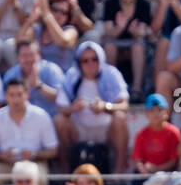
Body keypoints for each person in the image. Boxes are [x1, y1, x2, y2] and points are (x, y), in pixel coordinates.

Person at [54, 39, 129, 172]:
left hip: (105, 129)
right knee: (60, 120)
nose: (90, 64)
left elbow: (124, 105)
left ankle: (118, 172)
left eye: (94, 59)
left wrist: (105, 106)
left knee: (120, 118)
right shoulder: (71, 76)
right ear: (79, 62)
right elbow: (61, 107)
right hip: (79, 128)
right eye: (85, 60)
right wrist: (74, 108)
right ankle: (64, 171)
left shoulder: (111, 73)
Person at [0, 75, 57, 185]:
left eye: (19, 94)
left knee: (40, 177)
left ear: (27, 94)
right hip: (5, 164)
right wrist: (1, 156)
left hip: (34, 163)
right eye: (12, 95)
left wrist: (34, 154)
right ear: (5, 96)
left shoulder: (41, 116)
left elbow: (53, 150)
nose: (16, 99)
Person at [102, 0, 153, 101]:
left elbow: (142, 33)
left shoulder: (144, 4)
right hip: (114, 40)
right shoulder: (110, 3)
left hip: (134, 42)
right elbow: (108, 32)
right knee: (110, 45)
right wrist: (120, 26)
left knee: (138, 45)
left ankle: (137, 90)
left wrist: (135, 31)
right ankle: (110, 89)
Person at [129, 90, 181, 185]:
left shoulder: (173, 133)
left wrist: (156, 168)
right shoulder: (142, 134)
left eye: (159, 110)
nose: (156, 114)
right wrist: (143, 169)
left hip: (165, 174)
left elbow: (174, 160)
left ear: (166, 112)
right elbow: (137, 159)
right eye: (152, 110)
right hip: (147, 173)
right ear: (146, 114)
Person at [2, 37, 64, 113]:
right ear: (18, 58)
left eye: (31, 55)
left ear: (39, 56)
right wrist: (25, 88)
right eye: (24, 55)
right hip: (21, 118)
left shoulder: (51, 69)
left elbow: (61, 98)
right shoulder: (11, 74)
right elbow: (6, 101)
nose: (28, 59)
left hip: (50, 118)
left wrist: (39, 85)